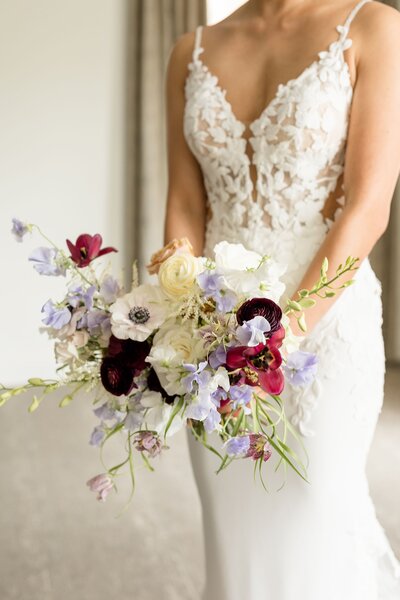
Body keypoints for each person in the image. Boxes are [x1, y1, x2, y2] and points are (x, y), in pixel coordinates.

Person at [163, 0, 400, 597]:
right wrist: (178, 316)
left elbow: (368, 205)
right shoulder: (189, 50)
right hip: (215, 343)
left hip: (324, 324)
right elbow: (188, 204)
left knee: (317, 511)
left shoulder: (373, 26)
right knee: (235, 529)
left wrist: (283, 334)